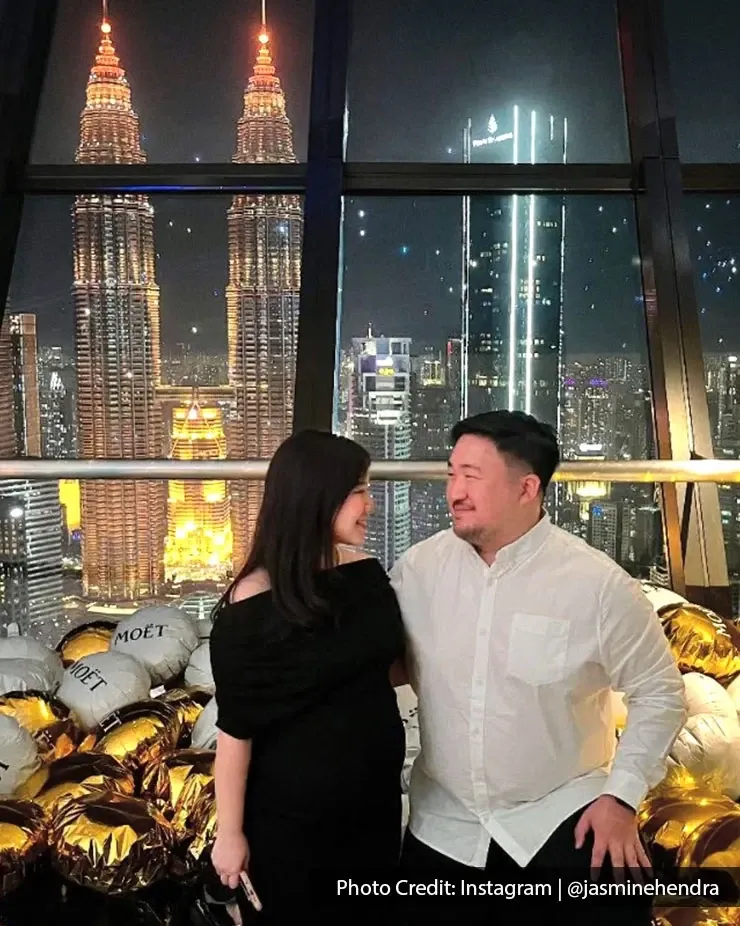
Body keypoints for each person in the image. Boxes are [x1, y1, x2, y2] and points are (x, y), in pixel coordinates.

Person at [390, 410, 688, 925]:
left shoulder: (597, 585)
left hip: (561, 819)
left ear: (527, 488)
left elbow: (660, 693)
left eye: (472, 477)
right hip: (444, 825)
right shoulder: (419, 570)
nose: (454, 492)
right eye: (451, 474)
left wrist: (621, 797)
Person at [207, 430, 407, 924]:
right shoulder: (250, 606)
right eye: (358, 489)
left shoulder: (365, 575)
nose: (371, 504)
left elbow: (386, 669)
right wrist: (228, 834)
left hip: (374, 809)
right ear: (316, 497)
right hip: (292, 827)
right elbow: (235, 733)